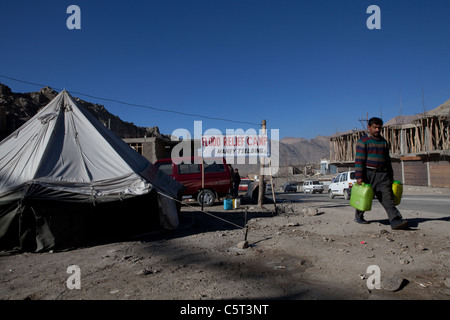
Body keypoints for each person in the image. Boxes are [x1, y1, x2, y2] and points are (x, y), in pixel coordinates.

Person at [354, 117, 409, 230]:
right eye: (375, 127)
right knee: (365, 197)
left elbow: (387, 160)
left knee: (387, 198)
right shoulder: (363, 141)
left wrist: (391, 175)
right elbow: (359, 160)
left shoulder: (383, 142)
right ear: (369, 127)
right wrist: (359, 177)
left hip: (382, 175)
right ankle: (359, 216)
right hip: (368, 174)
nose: (377, 130)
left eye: (379, 128)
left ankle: (395, 220)